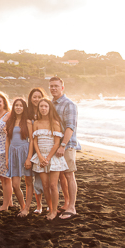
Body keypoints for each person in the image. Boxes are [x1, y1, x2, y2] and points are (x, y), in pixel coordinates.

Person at [30, 98, 68, 220]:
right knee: (45, 186)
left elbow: (57, 143)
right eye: (41, 106)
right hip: (40, 157)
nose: (43, 108)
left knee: (53, 185)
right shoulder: (36, 123)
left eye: (46, 106)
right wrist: (41, 157)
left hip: (53, 157)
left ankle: (54, 211)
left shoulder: (55, 123)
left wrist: (48, 158)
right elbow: (34, 142)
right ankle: (50, 209)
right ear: (39, 108)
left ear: (49, 108)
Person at [49, 76, 80, 220]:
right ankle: (66, 203)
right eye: (51, 86)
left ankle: (72, 207)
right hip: (54, 145)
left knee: (68, 174)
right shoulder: (50, 104)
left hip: (66, 145)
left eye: (56, 86)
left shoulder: (69, 104)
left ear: (62, 87)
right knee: (61, 176)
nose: (53, 88)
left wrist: (63, 145)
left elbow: (70, 126)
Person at [5, 98, 34, 217]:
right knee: (15, 185)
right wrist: (7, 158)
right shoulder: (10, 122)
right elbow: (7, 140)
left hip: (24, 151)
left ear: (24, 108)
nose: (18, 107)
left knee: (28, 182)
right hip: (13, 152)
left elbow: (32, 140)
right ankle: (22, 206)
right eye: (16, 105)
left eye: (21, 106)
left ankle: (27, 208)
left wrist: (29, 158)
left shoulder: (27, 122)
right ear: (13, 107)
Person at [27, 88, 47, 214]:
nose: (36, 99)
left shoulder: (45, 111)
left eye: (39, 97)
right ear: (30, 98)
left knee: (47, 177)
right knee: (35, 178)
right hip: (31, 147)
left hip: (44, 147)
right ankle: (39, 206)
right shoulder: (27, 113)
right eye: (34, 97)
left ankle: (49, 204)